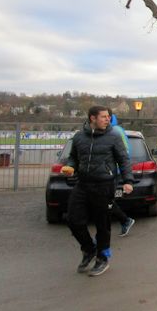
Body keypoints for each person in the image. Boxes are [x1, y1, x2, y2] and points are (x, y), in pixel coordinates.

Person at [63, 106, 134, 276]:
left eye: (108, 117)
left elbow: (123, 160)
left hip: (104, 185)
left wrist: (128, 181)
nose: (107, 119)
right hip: (83, 184)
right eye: (103, 117)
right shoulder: (79, 137)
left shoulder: (113, 137)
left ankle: (102, 258)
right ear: (92, 118)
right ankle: (89, 249)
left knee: (102, 224)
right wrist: (71, 166)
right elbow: (73, 157)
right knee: (73, 220)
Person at [109, 112, 135, 237]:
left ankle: (125, 220)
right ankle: (124, 220)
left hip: (113, 171)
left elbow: (124, 153)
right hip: (105, 171)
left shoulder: (116, 131)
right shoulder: (110, 131)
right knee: (105, 201)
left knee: (106, 201)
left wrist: (120, 170)